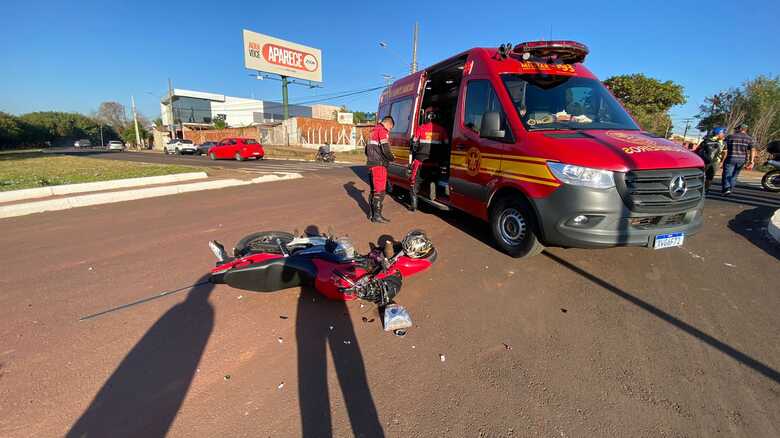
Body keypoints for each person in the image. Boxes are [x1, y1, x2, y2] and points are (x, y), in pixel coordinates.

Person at [409, 107, 449, 211]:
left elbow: (414, 144)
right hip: (435, 162)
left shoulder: (421, 128)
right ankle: (433, 195)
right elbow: (446, 146)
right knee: (433, 179)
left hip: (420, 161)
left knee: (414, 182)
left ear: (426, 116)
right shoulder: (442, 130)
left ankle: (414, 206)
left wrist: (414, 157)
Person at [366, 116, 395, 223]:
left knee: (373, 190)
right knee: (380, 191)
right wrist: (392, 158)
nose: (389, 130)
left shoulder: (372, 131)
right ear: (389, 124)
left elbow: (366, 150)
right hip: (379, 164)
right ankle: (377, 216)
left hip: (371, 164)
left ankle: (371, 214)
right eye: (390, 128)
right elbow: (385, 148)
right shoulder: (382, 131)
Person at [721, 123, 756, 195]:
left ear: (740, 129)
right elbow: (752, 150)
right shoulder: (749, 138)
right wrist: (751, 161)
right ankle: (730, 188)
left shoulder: (730, 136)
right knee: (734, 175)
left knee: (727, 174)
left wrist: (721, 159)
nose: (735, 130)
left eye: (736, 129)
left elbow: (723, 147)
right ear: (745, 130)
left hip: (731, 158)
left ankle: (726, 189)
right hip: (742, 160)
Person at [696, 127, 726, 193]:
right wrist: (722, 162)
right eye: (723, 133)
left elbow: (698, 149)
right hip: (714, 162)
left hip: (705, 160)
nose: (724, 134)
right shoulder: (723, 143)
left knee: (703, 175)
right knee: (710, 177)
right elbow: (724, 153)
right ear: (719, 133)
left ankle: (702, 188)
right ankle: (706, 189)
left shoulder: (706, 140)